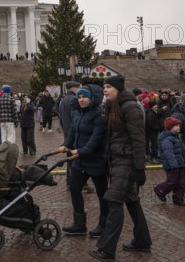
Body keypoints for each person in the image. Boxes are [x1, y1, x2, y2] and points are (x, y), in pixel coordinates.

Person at [90, 76, 151, 261]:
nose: (105, 90)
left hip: (127, 161)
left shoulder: (130, 107)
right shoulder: (112, 105)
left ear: (118, 88)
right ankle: (142, 241)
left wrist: (140, 168)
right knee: (132, 201)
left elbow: (139, 139)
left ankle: (107, 249)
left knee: (114, 201)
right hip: (116, 160)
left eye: (108, 87)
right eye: (104, 87)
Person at [58, 85, 108, 237]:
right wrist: (65, 145)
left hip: (95, 160)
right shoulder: (78, 113)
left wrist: (80, 151)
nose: (81, 100)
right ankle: (79, 224)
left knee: (102, 194)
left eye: (84, 97)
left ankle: (104, 225)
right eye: (79, 97)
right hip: (79, 160)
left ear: (92, 98)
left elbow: (96, 140)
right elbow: (72, 132)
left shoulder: (99, 115)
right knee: (74, 188)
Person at [154, 117, 185, 206]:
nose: (178, 127)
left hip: (180, 164)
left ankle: (178, 199)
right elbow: (168, 153)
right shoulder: (167, 139)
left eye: (179, 125)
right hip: (172, 165)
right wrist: (174, 165)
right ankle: (160, 190)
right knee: (172, 181)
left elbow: (182, 150)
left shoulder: (177, 137)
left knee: (181, 183)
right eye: (176, 125)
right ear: (169, 127)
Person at [59, 81, 81, 188]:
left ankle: (69, 182)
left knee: (70, 160)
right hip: (74, 135)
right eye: (78, 87)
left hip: (67, 134)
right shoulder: (74, 99)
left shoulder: (63, 100)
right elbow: (75, 118)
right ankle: (75, 183)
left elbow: (61, 119)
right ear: (73, 88)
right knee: (75, 160)